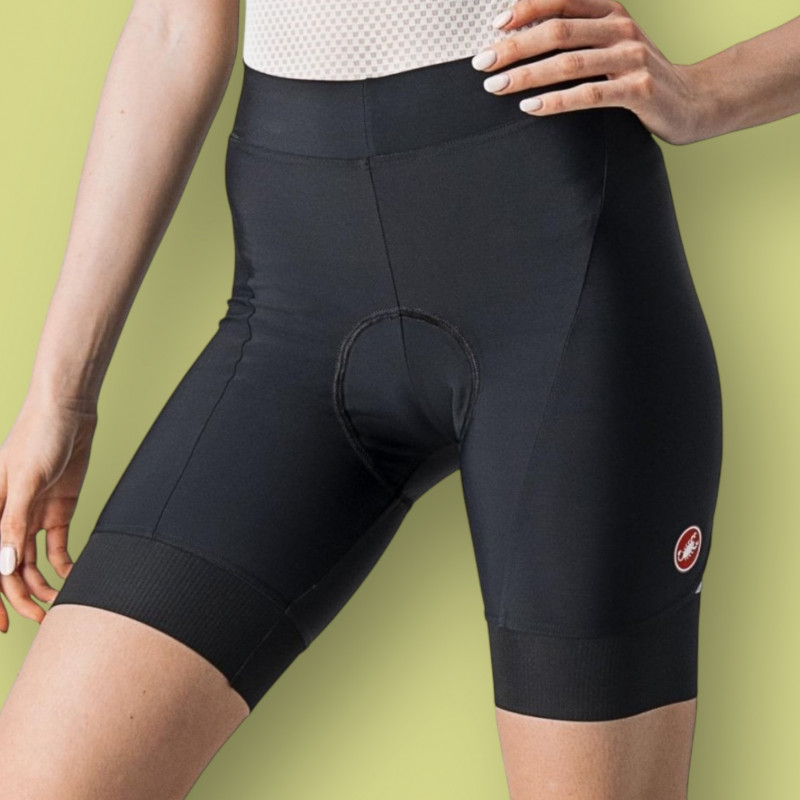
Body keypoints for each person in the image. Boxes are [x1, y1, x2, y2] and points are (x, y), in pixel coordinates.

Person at [0, 1, 798, 798]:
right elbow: (174, 24)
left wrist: (705, 96)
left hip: (558, 277)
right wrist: (60, 396)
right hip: (293, 306)